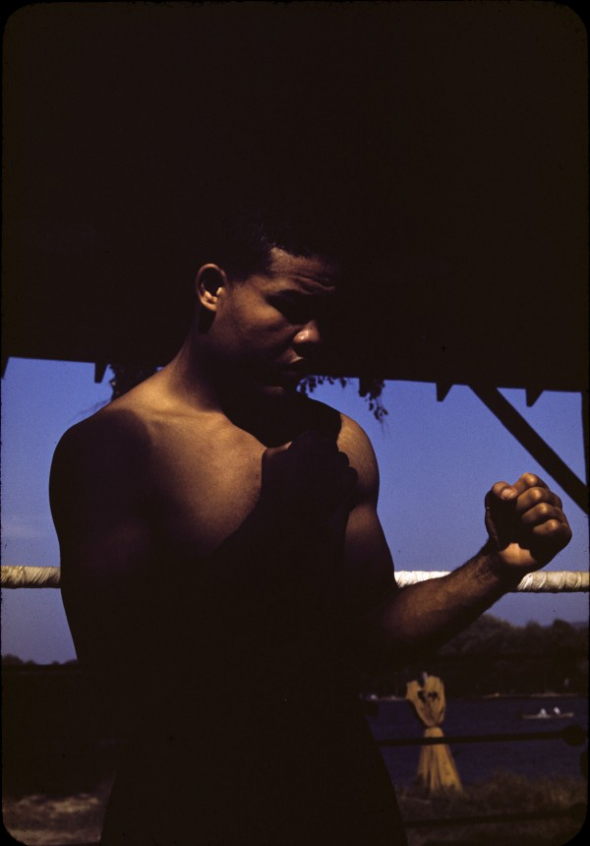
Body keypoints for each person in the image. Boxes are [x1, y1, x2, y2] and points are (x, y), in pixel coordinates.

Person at [49, 196, 572, 845]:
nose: (315, 337)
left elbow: (375, 632)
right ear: (213, 288)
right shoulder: (115, 448)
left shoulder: (338, 441)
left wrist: (497, 564)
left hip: (343, 795)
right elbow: (120, 681)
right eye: (292, 308)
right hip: (189, 808)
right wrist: (276, 523)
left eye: (326, 314)